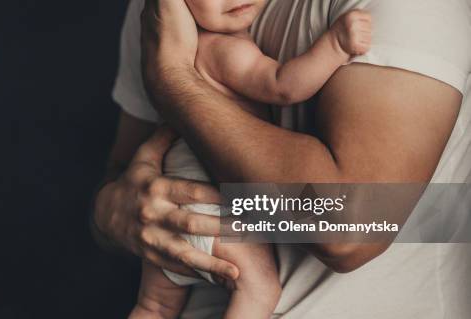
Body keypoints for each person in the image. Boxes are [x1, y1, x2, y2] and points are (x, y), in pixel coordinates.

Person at [93, 0, 471, 317]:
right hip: (209, 262)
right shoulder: (160, 10)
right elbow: (119, 176)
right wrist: (112, 213)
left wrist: (172, 79)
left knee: (156, 305)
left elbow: (346, 228)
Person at [129, 0, 372, 317]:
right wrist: (336, 45)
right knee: (259, 290)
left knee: (154, 305)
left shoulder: (172, 49)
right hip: (209, 209)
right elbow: (283, 86)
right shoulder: (222, 48)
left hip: (167, 205)